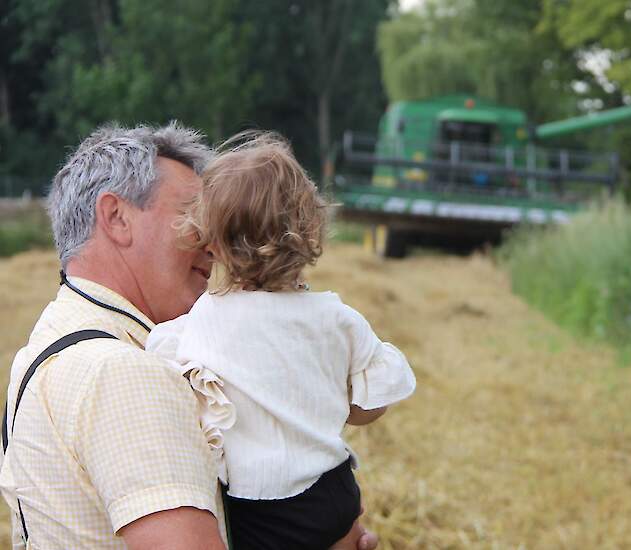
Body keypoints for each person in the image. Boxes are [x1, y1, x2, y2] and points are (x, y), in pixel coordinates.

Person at [0, 123, 381, 549]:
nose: (212, 243)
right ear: (116, 218)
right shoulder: (126, 373)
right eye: (195, 217)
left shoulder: (52, 344)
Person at [145, 133, 416, 550]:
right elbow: (369, 408)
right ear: (311, 229)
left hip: (258, 512)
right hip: (333, 494)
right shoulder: (337, 318)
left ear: (211, 241)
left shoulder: (200, 323)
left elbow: (175, 391)